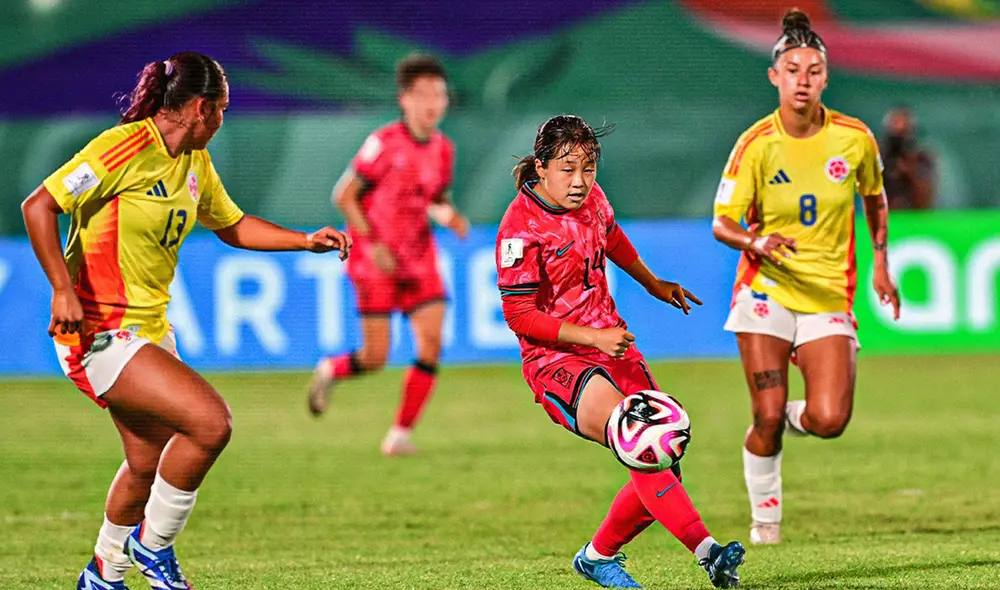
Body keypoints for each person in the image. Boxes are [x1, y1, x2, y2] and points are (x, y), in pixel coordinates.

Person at [21, 52, 351, 590]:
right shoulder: (122, 147)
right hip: (98, 330)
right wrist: (62, 289)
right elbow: (39, 206)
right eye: (221, 110)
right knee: (209, 423)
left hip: (150, 329)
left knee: (146, 460)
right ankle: (154, 550)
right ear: (200, 109)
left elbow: (233, 225)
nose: (223, 122)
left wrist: (304, 240)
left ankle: (103, 573)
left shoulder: (192, 161)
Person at [498, 114, 745, 589]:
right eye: (568, 168)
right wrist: (591, 338)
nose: (579, 180)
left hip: (611, 343)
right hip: (557, 360)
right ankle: (709, 552)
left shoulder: (593, 199)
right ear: (542, 166)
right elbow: (520, 316)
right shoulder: (520, 228)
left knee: (663, 452)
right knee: (639, 439)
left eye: (589, 168)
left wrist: (653, 284)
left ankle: (596, 557)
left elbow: (609, 235)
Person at [711, 10, 901, 545]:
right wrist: (756, 241)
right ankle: (765, 523)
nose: (803, 79)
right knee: (767, 413)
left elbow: (875, 198)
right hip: (765, 291)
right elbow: (722, 222)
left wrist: (881, 261)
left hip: (826, 297)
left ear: (825, 77)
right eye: (792, 69)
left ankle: (772, 422)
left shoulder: (854, 138)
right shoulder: (756, 145)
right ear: (774, 76)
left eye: (813, 70)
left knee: (829, 418)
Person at [307, 54, 469, 456]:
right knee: (376, 357)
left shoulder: (444, 149)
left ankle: (399, 435)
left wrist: (448, 215)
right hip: (373, 258)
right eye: (423, 94)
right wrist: (373, 244)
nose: (433, 102)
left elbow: (435, 199)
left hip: (418, 256)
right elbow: (345, 196)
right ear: (404, 100)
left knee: (431, 342)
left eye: (439, 94)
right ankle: (331, 369)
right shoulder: (383, 143)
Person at [881, 105, 935, 210]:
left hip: (913, 218)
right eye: (895, 128)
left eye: (904, 130)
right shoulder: (878, 157)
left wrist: (910, 172)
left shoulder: (921, 158)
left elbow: (926, 200)